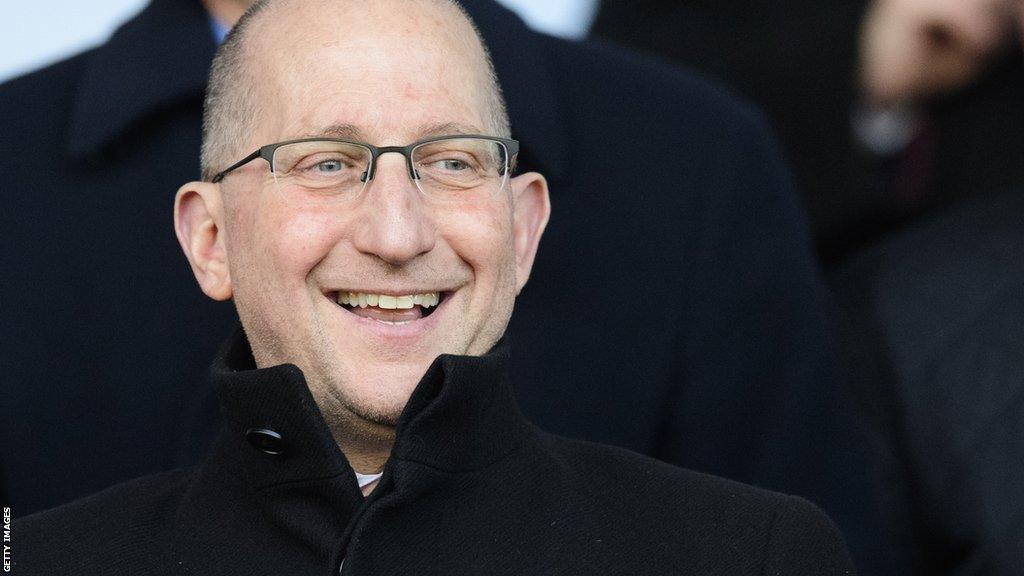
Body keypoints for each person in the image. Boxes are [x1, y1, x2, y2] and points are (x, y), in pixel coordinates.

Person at [0, 0, 881, 568]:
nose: (395, 234)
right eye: (323, 163)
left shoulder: (692, 156)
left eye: (452, 160)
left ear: (526, 220)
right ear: (209, 236)